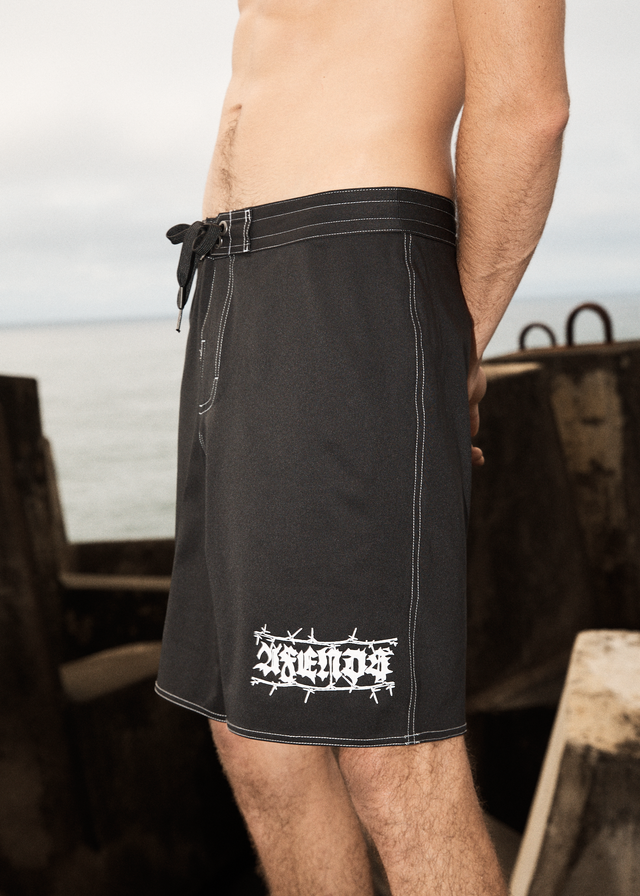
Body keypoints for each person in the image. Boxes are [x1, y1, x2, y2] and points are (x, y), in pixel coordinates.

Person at [156, 0, 569, 892]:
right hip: (232, 278)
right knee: (256, 738)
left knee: (391, 751)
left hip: (350, 264)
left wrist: (448, 347)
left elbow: (527, 105)